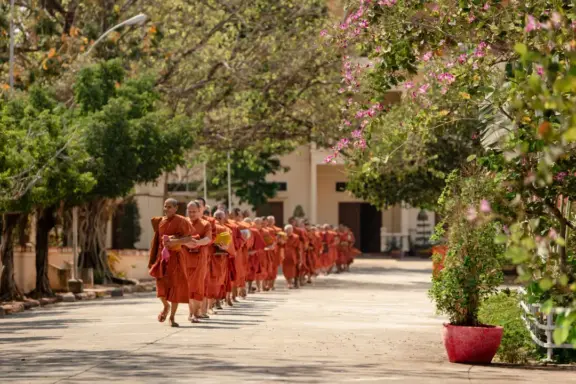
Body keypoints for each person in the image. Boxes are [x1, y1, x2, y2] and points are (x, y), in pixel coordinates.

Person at [165, 200, 212, 323]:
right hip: (184, 258)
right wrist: (184, 241)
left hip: (199, 259)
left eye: (194, 212)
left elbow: (208, 238)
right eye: (189, 211)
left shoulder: (205, 223)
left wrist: (197, 242)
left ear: (199, 211)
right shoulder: (182, 222)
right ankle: (191, 313)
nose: (192, 214)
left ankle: (196, 313)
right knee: (187, 286)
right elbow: (174, 237)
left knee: (197, 286)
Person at [148, 198, 191, 327]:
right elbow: (156, 241)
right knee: (160, 285)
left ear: (176, 208)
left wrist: (175, 242)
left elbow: (188, 238)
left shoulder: (181, 221)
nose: (167, 209)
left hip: (176, 258)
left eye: (170, 207)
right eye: (165, 206)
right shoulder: (160, 222)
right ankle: (166, 306)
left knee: (175, 287)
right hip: (162, 258)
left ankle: (172, 317)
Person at [282, 224, 301, 289]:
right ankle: (289, 282)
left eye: (290, 230)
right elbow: (279, 245)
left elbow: (298, 248)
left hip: (292, 255)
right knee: (285, 270)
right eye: (287, 230)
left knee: (292, 270)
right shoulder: (282, 236)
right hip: (284, 255)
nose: (288, 232)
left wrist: (299, 257)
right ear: (284, 231)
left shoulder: (296, 237)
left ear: (292, 230)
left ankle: (290, 283)